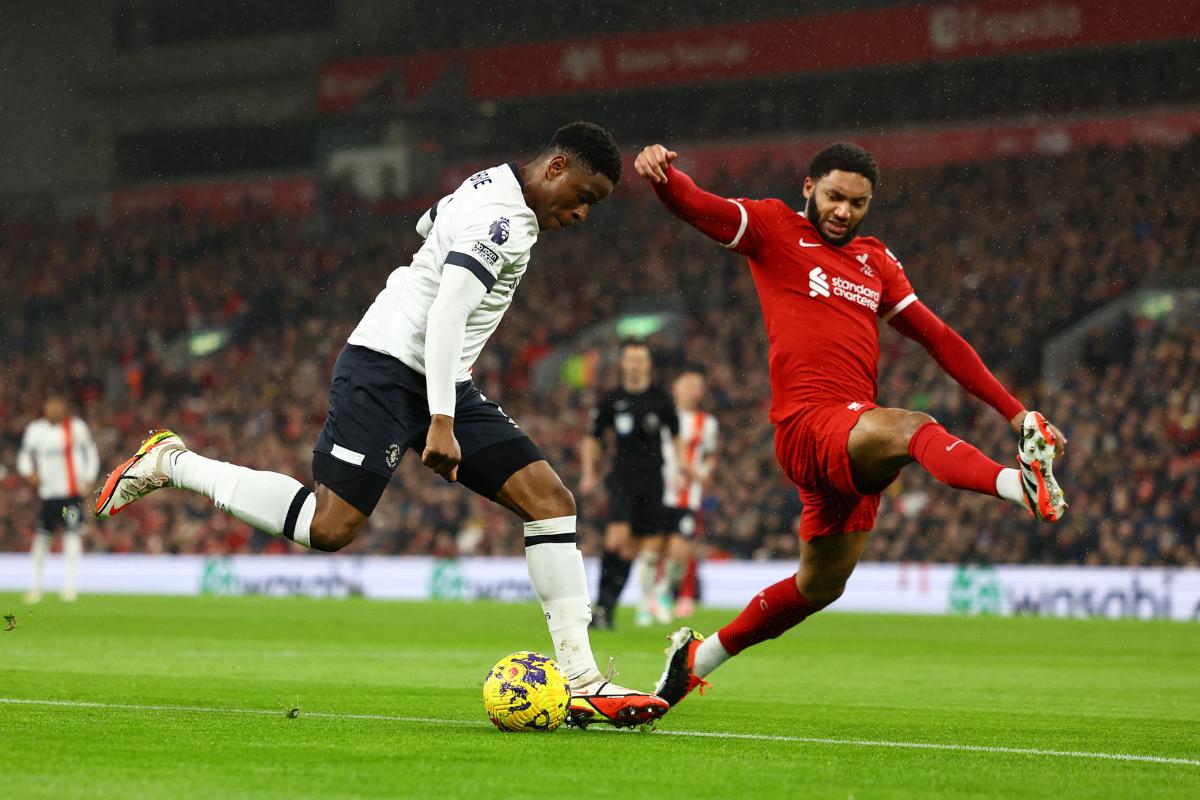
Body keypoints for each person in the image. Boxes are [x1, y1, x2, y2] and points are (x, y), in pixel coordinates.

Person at [94, 122, 668, 728]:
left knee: (550, 501)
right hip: (388, 369)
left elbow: (428, 223)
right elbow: (447, 311)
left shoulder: (488, 185)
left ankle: (580, 678)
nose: (582, 213)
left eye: (592, 206)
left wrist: (445, 390)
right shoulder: (502, 222)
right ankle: (172, 462)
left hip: (439, 378)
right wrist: (442, 420)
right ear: (555, 168)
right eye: (583, 196)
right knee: (330, 526)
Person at [633, 141, 1068, 707]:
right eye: (835, 196)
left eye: (857, 203)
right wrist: (664, 178)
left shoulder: (875, 261)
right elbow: (698, 206)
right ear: (810, 187)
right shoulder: (774, 227)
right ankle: (1018, 485)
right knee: (912, 426)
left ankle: (698, 658)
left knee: (819, 586)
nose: (843, 211)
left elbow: (939, 338)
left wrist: (1016, 411)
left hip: (851, 439)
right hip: (807, 423)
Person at [580, 340, 679, 629]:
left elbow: (675, 435)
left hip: (654, 480)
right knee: (616, 538)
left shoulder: (661, 399)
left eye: (640, 359)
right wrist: (589, 472)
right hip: (622, 478)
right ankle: (601, 607)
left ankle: (605, 611)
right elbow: (592, 436)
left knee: (630, 548)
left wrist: (682, 469)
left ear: (648, 364)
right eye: (630, 359)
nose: (635, 364)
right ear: (623, 363)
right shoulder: (611, 399)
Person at [17, 395, 100, 603]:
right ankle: (36, 588)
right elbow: (24, 456)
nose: (55, 410)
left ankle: (70, 588)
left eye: (58, 406)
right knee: (42, 539)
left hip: (70, 497)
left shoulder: (76, 428)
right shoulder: (36, 430)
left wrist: (89, 478)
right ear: (45, 408)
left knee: (71, 535)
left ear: (64, 409)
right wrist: (29, 473)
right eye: (51, 406)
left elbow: (91, 453)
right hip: (48, 496)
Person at [658, 370, 718, 620]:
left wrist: (700, 474)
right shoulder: (663, 418)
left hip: (689, 495)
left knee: (685, 547)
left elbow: (711, 456)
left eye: (699, 385)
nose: (696, 389)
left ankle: (682, 594)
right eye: (691, 383)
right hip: (660, 490)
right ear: (677, 388)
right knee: (658, 546)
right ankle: (654, 596)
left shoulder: (707, 423)